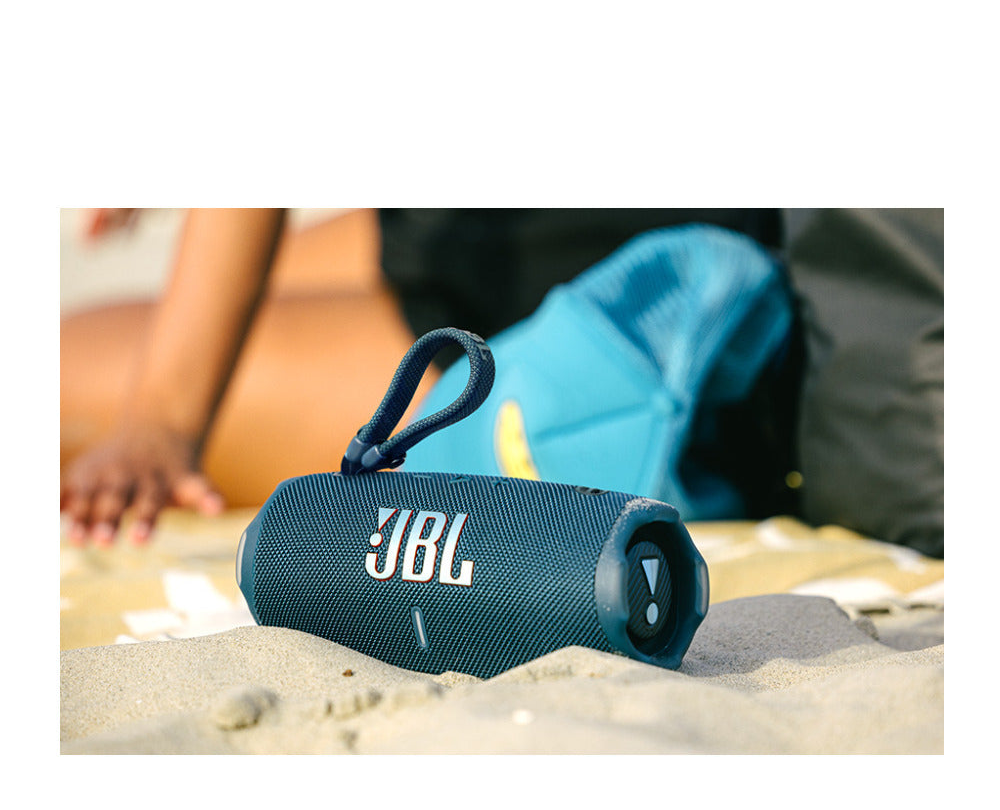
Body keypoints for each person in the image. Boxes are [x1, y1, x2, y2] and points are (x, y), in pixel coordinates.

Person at [61, 208, 783, 547]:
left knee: (57, 377)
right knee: (94, 337)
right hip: (450, 225)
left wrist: (161, 422)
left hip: (563, 287)